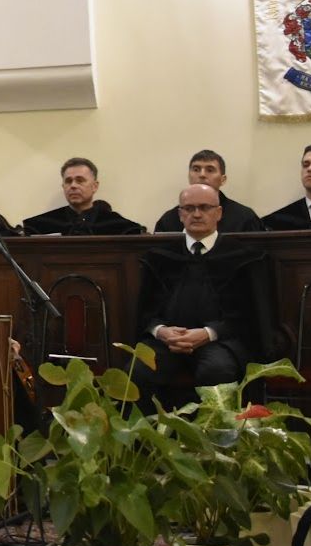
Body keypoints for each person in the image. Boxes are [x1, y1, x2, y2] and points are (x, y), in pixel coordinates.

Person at [136, 183, 274, 403]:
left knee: (217, 371)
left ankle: (214, 427)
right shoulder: (159, 258)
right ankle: (151, 427)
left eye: (204, 207)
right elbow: (145, 312)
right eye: (189, 208)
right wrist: (161, 331)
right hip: (167, 342)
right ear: (180, 215)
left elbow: (250, 315)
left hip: (220, 341)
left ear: (218, 213)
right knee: (139, 371)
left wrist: (208, 333)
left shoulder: (243, 257)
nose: (197, 214)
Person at [21, 158, 146, 236]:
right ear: (63, 186)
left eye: (80, 180)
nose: (73, 186)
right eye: (68, 181)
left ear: (95, 186)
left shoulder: (120, 227)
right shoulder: (40, 225)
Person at [151, 150, 263, 234]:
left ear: (223, 179)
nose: (202, 175)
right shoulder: (170, 220)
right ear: (189, 177)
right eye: (196, 169)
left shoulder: (244, 218)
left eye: (210, 170)